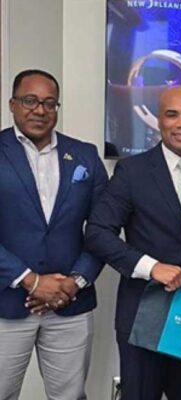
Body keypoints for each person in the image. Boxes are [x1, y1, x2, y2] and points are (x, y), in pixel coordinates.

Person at [85, 86, 181, 400]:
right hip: (143, 309)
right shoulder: (132, 171)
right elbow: (97, 232)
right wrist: (151, 267)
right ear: (158, 120)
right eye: (172, 114)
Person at [0, 69, 108, 399]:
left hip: (69, 304)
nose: (40, 110)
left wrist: (75, 281)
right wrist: (31, 280)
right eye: (30, 101)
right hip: (6, 304)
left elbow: (103, 228)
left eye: (49, 103)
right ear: (12, 104)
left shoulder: (85, 155)